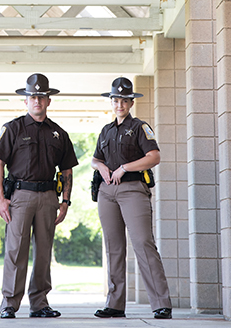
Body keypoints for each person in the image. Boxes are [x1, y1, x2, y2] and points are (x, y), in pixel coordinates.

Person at [0, 73, 78, 319]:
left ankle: (39, 303)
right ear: (26, 100)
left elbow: (67, 169)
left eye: (41, 96)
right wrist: (0, 198)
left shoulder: (59, 133)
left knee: (43, 252)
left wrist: (66, 201)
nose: (37, 100)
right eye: (32, 96)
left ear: (49, 101)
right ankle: (9, 303)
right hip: (20, 196)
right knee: (16, 250)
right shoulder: (12, 128)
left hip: (49, 197)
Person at [91, 77, 172, 320]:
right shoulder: (106, 131)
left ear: (130, 102)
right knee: (114, 248)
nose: (119, 104)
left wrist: (125, 167)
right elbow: (96, 158)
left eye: (124, 100)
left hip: (133, 190)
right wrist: (100, 167)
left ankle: (161, 303)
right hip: (107, 193)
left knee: (143, 244)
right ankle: (115, 304)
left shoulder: (139, 127)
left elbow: (154, 156)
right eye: (116, 100)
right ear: (112, 101)